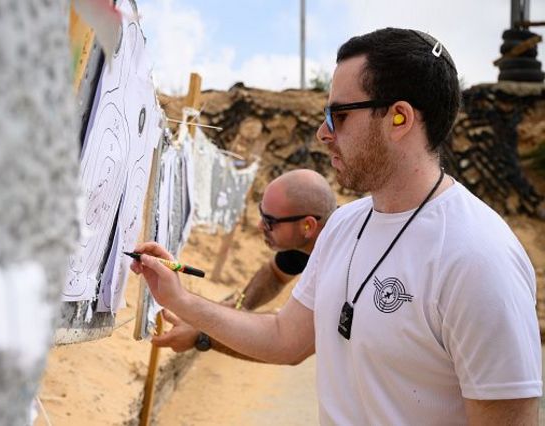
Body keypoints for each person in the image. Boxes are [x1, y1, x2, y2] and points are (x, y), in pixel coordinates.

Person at [131, 28, 542, 424]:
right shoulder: (345, 224)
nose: (322, 133)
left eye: (338, 115)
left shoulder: (479, 257)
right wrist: (182, 300)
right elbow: (283, 337)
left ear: (399, 118)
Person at [152, 169, 336, 357]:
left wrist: (203, 335)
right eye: (261, 214)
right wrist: (239, 307)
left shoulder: (340, 265)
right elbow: (275, 274)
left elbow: (287, 345)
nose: (259, 226)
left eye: (269, 221)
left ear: (308, 226)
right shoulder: (313, 239)